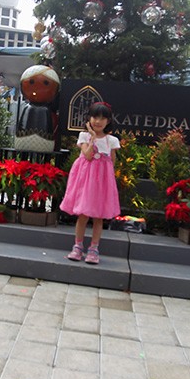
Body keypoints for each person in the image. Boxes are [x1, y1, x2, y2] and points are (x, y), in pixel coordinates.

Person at [60, 102, 121, 264]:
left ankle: (94, 248)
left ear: (108, 121)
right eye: (95, 117)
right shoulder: (84, 136)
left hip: (101, 183)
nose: (98, 121)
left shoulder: (112, 140)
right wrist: (93, 137)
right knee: (83, 214)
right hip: (85, 181)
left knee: (98, 216)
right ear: (89, 118)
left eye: (102, 118)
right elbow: (87, 155)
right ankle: (78, 246)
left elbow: (112, 162)